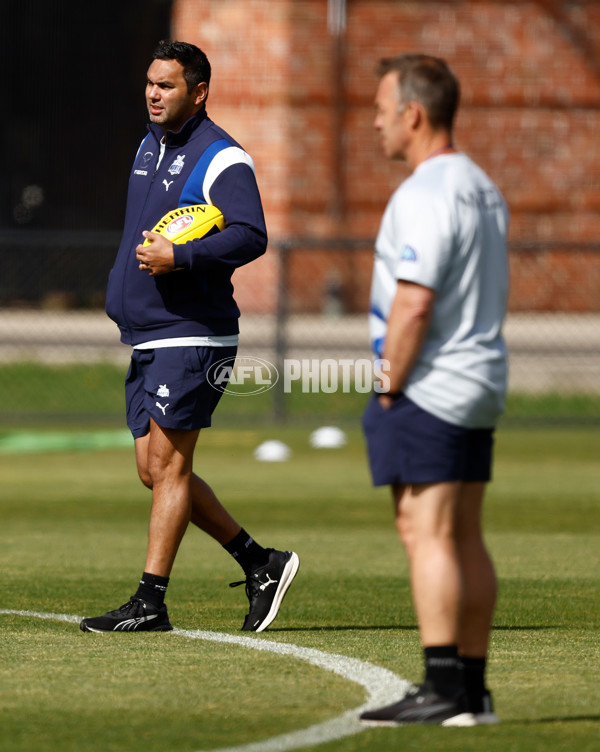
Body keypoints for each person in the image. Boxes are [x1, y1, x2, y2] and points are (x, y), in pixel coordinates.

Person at [80, 40, 299, 634]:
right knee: (152, 470)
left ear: (198, 92)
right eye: (150, 82)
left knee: (171, 469)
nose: (153, 93)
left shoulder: (222, 157)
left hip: (193, 334)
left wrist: (183, 254)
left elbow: (251, 234)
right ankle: (261, 562)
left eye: (167, 85)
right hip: (149, 334)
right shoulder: (149, 145)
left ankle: (151, 601)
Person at [360, 54, 509, 726]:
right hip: (479, 380)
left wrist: (387, 386)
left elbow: (414, 305)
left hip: (431, 383)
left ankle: (443, 685)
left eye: (381, 108)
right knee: (463, 533)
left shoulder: (424, 193)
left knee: (428, 533)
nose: (375, 121)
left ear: (412, 114)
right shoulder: (481, 184)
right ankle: (471, 692)